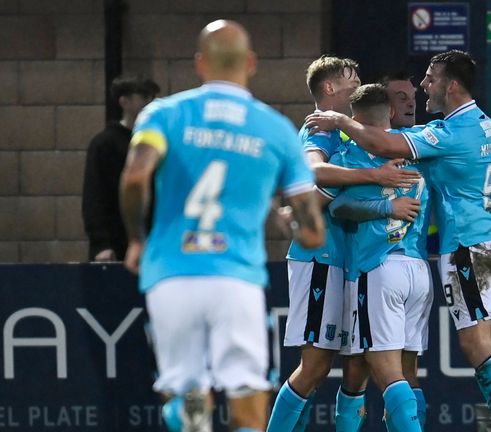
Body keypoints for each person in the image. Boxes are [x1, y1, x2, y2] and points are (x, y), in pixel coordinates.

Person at [307, 50, 491, 432]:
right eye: (404, 96)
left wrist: (338, 121)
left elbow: (361, 173)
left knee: (452, 347)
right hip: (468, 248)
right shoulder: (483, 126)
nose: (422, 86)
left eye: (430, 79)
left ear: (451, 85)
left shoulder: (436, 136)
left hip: (440, 250)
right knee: (471, 340)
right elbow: (474, 177)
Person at [119, 19, 324, 432]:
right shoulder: (275, 129)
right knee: (247, 396)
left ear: (199, 64)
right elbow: (310, 223)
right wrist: (299, 228)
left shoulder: (165, 114)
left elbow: (136, 177)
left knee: (187, 394)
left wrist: (137, 240)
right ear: (251, 63)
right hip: (235, 279)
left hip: (173, 273)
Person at [268, 56, 420, 432]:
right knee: (316, 364)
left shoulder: (346, 131)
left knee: (357, 365)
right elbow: (312, 173)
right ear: (329, 88)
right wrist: (373, 176)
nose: (357, 82)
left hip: (350, 261)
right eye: (350, 77)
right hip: (320, 257)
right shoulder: (318, 131)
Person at [326, 83, 430, 431]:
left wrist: (386, 205)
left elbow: (339, 205)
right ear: (389, 112)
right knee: (406, 369)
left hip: (378, 267)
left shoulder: (350, 155)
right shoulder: (418, 144)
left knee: (382, 372)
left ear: (354, 120)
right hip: (417, 268)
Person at [82, 74, 159, 261]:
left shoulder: (156, 142)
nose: (150, 104)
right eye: (144, 98)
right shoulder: (104, 144)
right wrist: (101, 244)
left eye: (151, 98)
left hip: (153, 243)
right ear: (124, 102)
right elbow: (94, 196)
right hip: (116, 246)